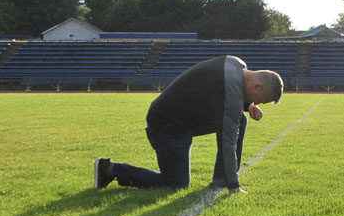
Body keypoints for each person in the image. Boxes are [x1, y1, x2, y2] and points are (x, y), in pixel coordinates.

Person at [93, 55, 283, 194]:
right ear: (257, 86)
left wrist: (246, 105)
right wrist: (234, 186)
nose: (256, 104)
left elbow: (217, 96)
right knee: (176, 184)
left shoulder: (235, 64)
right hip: (167, 125)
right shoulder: (233, 87)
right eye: (259, 100)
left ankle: (220, 179)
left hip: (181, 119)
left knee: (239, 119)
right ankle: (109, 169)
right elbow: (229, 143)